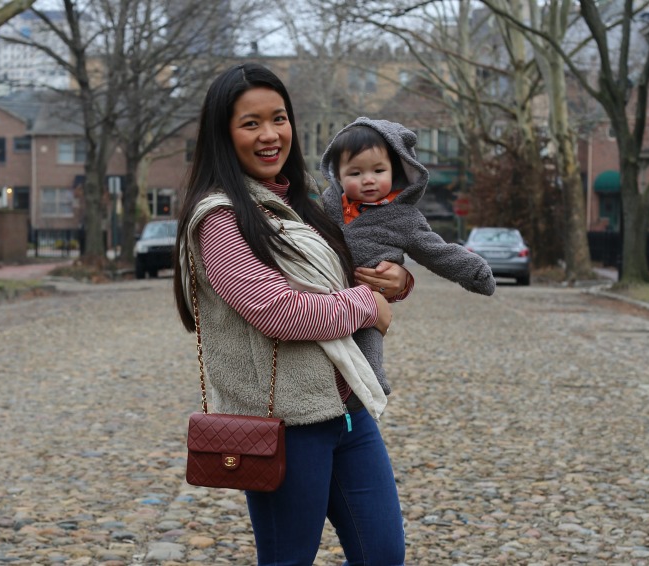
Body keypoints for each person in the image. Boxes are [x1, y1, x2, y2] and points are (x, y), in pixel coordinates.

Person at [173, 63, 408, 565]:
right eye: (251, 123)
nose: (270, 134)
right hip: (286, 425)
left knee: (383, 556)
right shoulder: (219, 219)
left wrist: (396, 282)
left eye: (278, 118)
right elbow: (277, 310)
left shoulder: (304, 203)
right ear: (222, 134)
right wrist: (367, 305)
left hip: (349, 411)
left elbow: (346, 277)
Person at [320, 117, 496, 395]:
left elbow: (436, 251)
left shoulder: (403, 218)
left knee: (368, 337)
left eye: (379, 170)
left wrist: (473, 270)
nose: (368, 179)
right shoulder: (326, 206)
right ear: (337, 176)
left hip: (369, 298)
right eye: (355, 173)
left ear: (396, 171)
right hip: (322, 298)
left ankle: (369, 385)